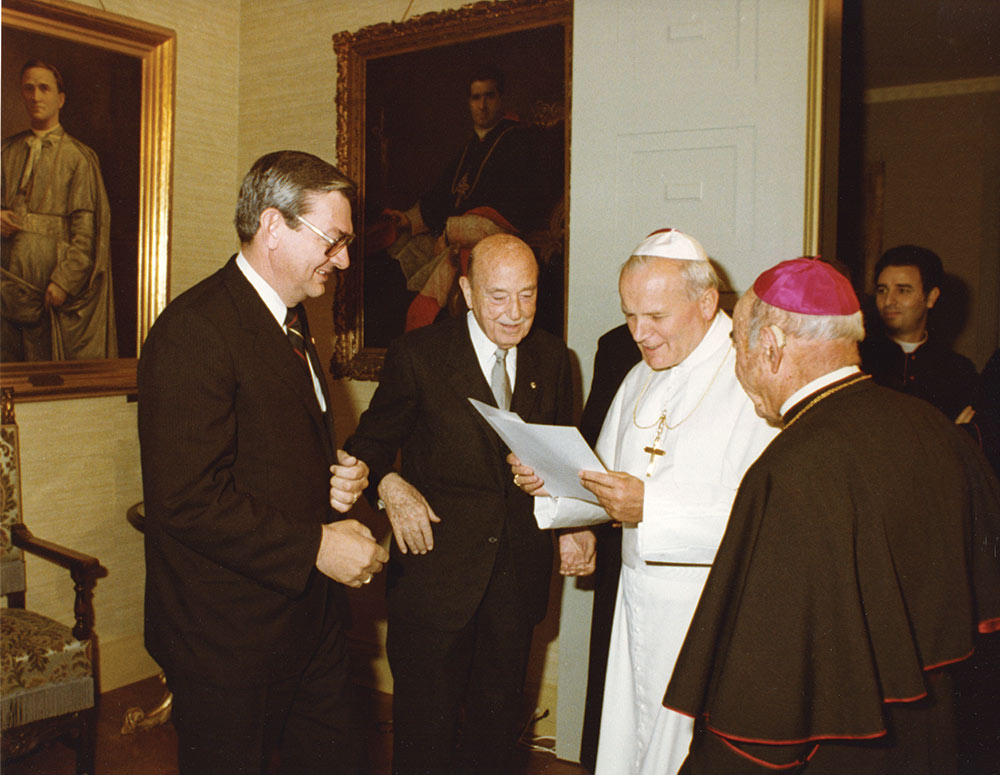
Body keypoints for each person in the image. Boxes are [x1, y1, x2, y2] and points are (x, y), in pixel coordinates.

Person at [664, 257, 1000, 775]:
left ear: (771, 346)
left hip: (839, 749)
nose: (738, 365)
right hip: (936, 740)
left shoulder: (790, 469)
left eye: (738, 346)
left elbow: (766, 690)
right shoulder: (935, 429)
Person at [137, 151, 389, 775]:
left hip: (309, 626)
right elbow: (187, 500)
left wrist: (334, 481)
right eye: (334, 241)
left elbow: (266, 453)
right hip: (226, 641)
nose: (346, 260)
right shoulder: (193, 331)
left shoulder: (293, 322)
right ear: (274, 227)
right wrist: (317, 546)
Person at [510, 228, 778, 775]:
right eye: (629, 315)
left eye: (654, 316)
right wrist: (560, 497)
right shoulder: (638, 378)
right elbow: (604, 485)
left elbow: (767, 519)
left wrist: (650, 509)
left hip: (708, 611)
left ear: (706, 303)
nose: (638, 333)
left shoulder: (753, 379)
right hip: (636, 606)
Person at [345, 233, 580, 775]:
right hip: (436, 579)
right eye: (499, 297)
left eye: (528, 295)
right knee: (424, 741)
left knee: (495, 740)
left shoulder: (553, 356)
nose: (515, 314)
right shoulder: (420, 354)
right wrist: (391, 485)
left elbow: (567, 458)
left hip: (516, 578)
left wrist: (573, 521)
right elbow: (368, 445)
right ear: (469, 291)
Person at [382, 67, 543, 331]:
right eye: (475, 97)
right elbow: (442, 195)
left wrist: (452, 232)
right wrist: (407, 220)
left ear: (500, 98)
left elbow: (511, 209)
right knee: (395, 256)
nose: (482, 106)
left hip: (483, 242)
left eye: (489, 96)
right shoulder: (472, 146)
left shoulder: (515, 143)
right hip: (449, 239)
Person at [1, 59, 116, 361]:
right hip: (7, 287)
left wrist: (64, 280)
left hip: (49, 290)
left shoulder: (78, 158)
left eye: (44, 88)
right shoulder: (6, 152)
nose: (35, 96)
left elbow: (86, 235)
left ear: (60, 98)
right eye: (28, 88)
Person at [859, 244, 977, 421]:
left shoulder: (958, 371)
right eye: (882, 290)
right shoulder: (857, 359)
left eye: (903, 290)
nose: (889, 301)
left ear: (931, 297)